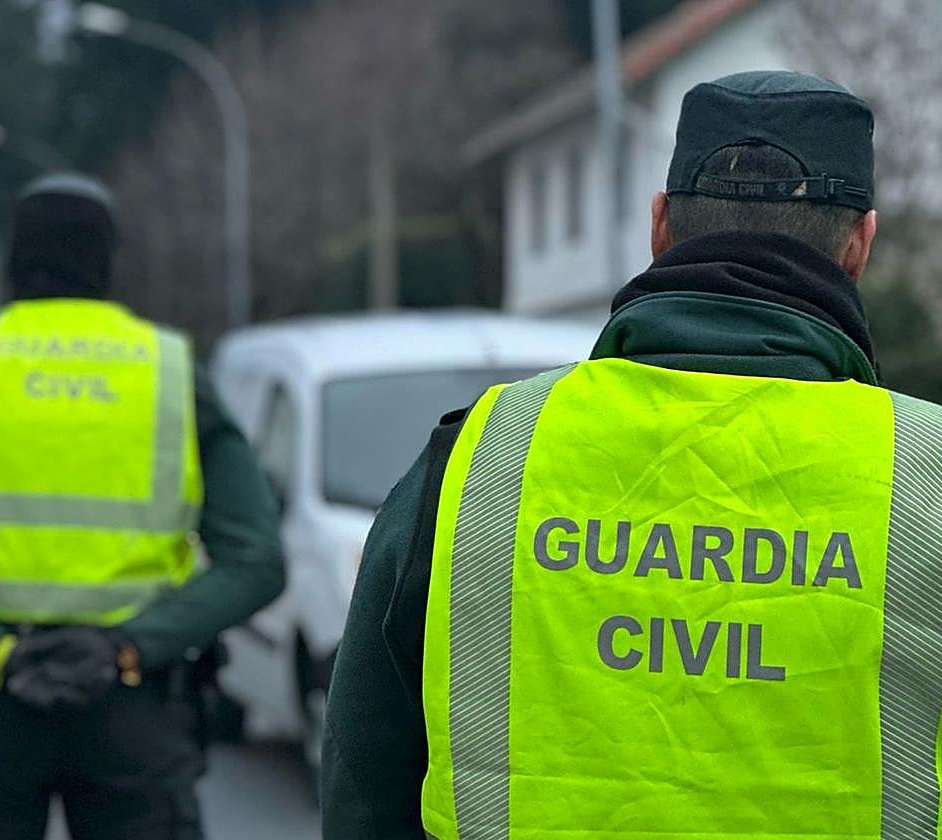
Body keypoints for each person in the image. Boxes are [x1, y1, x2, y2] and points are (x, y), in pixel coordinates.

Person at [322, 70, 942, 838]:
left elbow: (363, 774)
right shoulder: (928, 478)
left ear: (659, 227)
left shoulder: (480, 458)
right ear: (860, 245)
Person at [0, 172, 284, 840]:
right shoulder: (169, 373)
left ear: (13, 261)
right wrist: (126, 648)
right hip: (132, 708)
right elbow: (256, 561)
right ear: (106, 263)